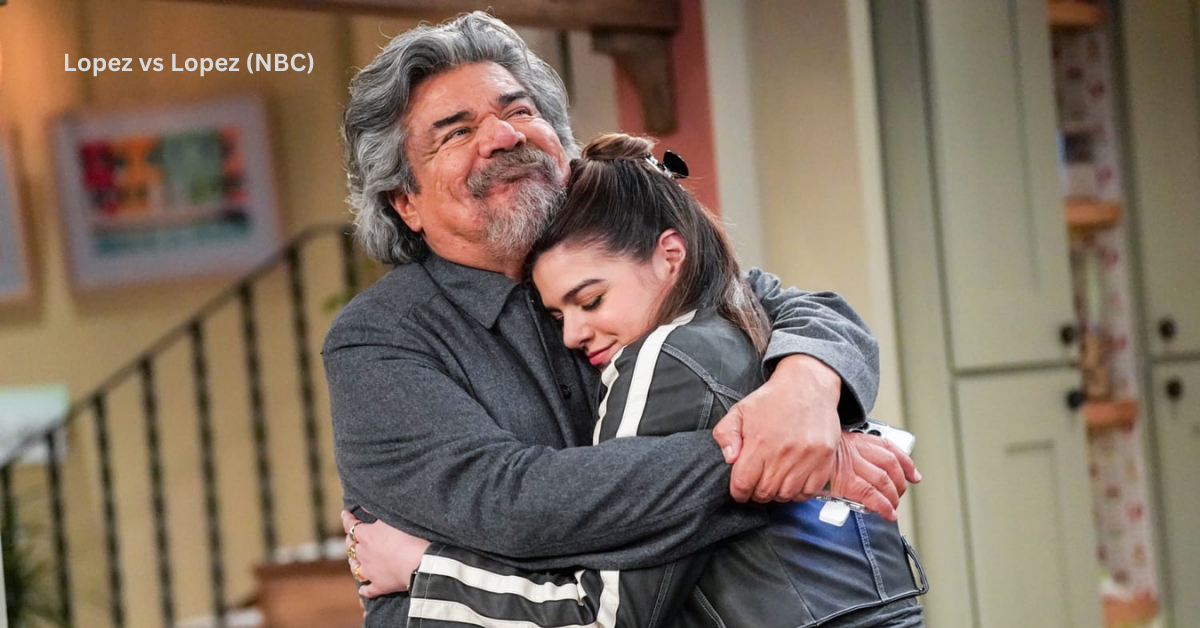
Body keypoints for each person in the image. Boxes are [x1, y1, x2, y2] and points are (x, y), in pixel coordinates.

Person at [326, 11, 919, 627]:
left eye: (520, 110)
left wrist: (806, 387)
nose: (503, 137)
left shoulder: (611, 249)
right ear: (405, 202)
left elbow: (793, 307)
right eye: (455, 132)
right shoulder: (377, 340)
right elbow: (513, 507)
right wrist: (796, 460)